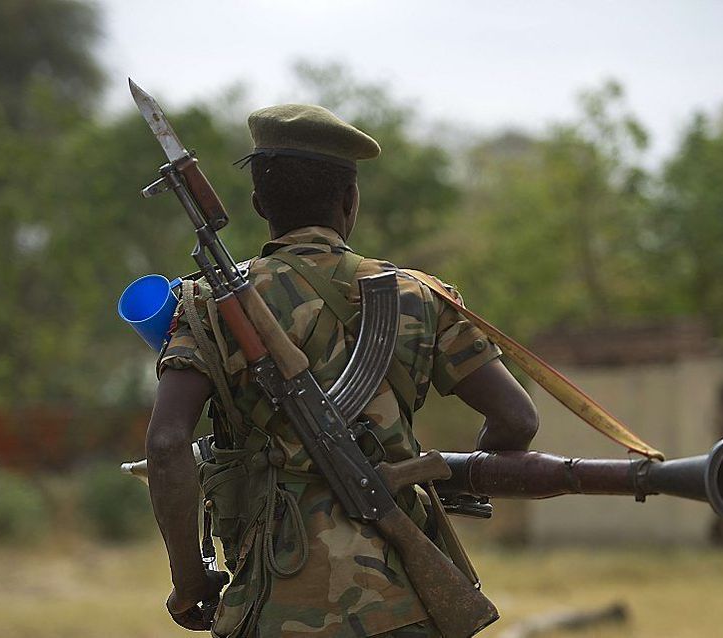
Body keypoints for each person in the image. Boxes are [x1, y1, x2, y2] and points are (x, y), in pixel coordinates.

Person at [145, 103, 538, 638]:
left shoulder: (206, 306)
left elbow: (167, 444)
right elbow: (516, 419)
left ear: (259, 203)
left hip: (272, 603)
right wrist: (443, 481)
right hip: (401, 603)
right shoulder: (418, 295)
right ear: (351, 200)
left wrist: (190, 582)